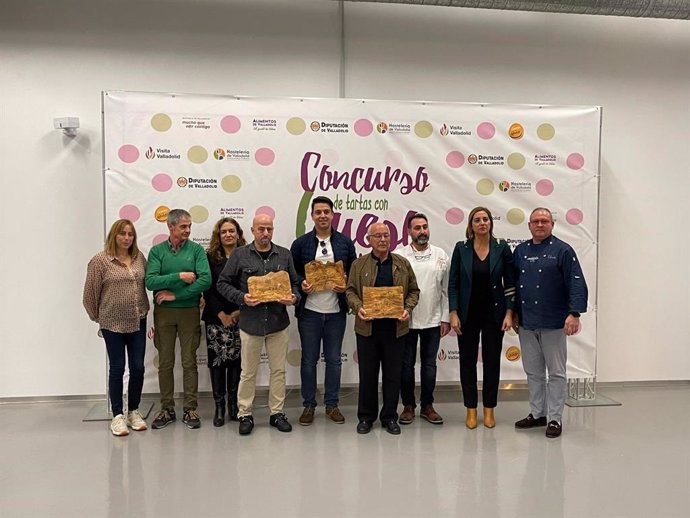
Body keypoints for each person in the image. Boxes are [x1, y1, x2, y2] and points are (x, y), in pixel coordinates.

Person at [217, 213, 301, 436]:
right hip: (250, 323)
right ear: (253, 230)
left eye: (269, 229)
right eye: (261, 229)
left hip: (278, 323)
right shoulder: (240, 254)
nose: (265, 233)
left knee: (278, 371)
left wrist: (293, 297)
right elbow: (222, 283)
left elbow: (295, 282)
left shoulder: (284, 254)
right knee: (248, 372)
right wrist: (241, 298)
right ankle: (245, 413)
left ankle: (277, 413)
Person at [513, 207, 588, 438]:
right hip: (527, 322)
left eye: (545, 221)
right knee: (533, 372)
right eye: (536, 221)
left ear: (552, 225)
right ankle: (538, 414)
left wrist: (574, 313)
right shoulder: (521, 251)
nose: (540, 225)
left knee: (556, 373)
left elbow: (576, 282)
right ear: (529, 226)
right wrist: (514, 312)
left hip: (554, 322)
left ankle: (555, 418)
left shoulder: (563, 250)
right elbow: (514, 285)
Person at [346, 222, 419, 435]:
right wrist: (358, 307)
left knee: (392, 375)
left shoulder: (402, 264)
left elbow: (414, 291)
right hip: (367, 328)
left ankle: (389, 416)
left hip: (396, 329)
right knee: (367, 374)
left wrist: (407, 308)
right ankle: (366, 417)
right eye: (377, 236)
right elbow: (350, 291)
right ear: (368, 240)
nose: (383, 239)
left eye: (386, 235)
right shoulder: (358, 265)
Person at [290, 196, 357, 426]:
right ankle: (308, 405)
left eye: (326, 211)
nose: (322, 216)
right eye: (318, 212)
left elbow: (353, 273)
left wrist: (346, 283)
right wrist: (301, 284)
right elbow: (293, 274)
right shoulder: (300, 244)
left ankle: (332, 404)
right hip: (309, 311)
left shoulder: (346, 243)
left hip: (336, 312)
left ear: (332, 214)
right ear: (312, 216)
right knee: (308, 361)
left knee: (334, 360)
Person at [448, 206, 515, 429]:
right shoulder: (461, 248)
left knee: (492, 363)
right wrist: (453, 312)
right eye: (477, 220)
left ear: (490, 223)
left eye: (485, 219)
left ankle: (489, 410)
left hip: (494, 315)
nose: (482, 223)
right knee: (467, 363)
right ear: (471, 225)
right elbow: (454, 283)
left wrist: (509, 312)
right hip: (467, 315)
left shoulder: (501, 247)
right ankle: (471, 410)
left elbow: (510, 283)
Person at [83, 219, 150, 437]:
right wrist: (98, 317)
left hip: (138, 319)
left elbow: (145, 284)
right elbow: (89, 295)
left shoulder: (139, 257)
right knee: (117, 368)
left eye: (130, 234)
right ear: (114, 235)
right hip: (112, 322)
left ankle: (134, 411)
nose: (127, 238)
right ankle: (118, 416)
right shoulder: (100, 261)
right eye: (123, 234)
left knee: (138, 367)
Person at [145, 209, 211, 430]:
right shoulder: (156, 252)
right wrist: (180, 276)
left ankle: (190, 408)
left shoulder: (197, 251)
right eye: (183, 226)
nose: (188, 230)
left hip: (189, 312)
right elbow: (151, 282)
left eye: (189, 226)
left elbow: (205, 281)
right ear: (170, 227)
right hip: (163, 315)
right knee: (165, 363)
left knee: (189, 362)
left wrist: (177, 294)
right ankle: (167, 409)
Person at [395, 213, 450, 426]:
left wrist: (445, 317)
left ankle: (428, 405)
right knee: (406, 366)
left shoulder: (441, 255)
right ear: (409, 232)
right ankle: (408, 405)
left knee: (429, 365)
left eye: (425, 227)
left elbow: (445, 290)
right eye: (417, 228)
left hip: (433, 320)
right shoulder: (399, 256)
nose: (422, 231)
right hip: (406, 320)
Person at [202, 217, 246, 427]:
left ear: (238, 234)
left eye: (231, 231)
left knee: (237, 362)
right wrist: (222, 315)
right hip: (215, 317)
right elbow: (207, 289)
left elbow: (250, 287)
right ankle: (219, 407)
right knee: (217, 362)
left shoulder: (247, 255)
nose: (228, 235)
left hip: (242, 315)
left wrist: (237, 312)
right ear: (218, 236)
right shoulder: (209, 257)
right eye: (223, 232)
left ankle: (233, 406)